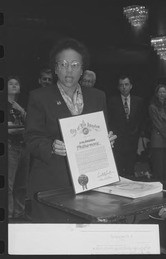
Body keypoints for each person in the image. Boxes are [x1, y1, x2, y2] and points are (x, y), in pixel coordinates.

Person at [25, 38, 116, 223]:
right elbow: (31, 138)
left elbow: (101, 131)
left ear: (82, 69)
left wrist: (107, 140)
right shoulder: (39, 97)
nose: (69, 70)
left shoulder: (98, 97)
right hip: (51, 183)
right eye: (64, 64)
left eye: (75, 65)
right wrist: (51, 146)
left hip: (90, 183)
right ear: (55, 68)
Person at [108, 75, 144, 177]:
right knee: (118, 171)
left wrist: (138, 134)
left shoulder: (139, 101)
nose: (124, 87)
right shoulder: (111, 101)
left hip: (133, 141)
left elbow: (142, 119)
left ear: (131, 86)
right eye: (121, 85)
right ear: (118, 87)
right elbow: (109, 120)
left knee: (130, 170)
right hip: (117, 142)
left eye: (126, 84)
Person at [8, 76, 29, 219]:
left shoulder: (20, 105)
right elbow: (8, 129)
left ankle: (19, 213)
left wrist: (21, 110)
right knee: (9, 185)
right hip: (10, 147)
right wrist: (23, 129)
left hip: (24, 147)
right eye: (11, 83)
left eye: (17, 84)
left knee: (22, 184)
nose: (14, 86)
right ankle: (8, 215)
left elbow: (32, 123)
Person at [149, 84, 166, 182]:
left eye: (164, 92)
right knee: (158, 166)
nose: (162, 94)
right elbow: (158, 124)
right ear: (156, 94)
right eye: (160, 92)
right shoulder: (152, 107)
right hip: (158, 140)